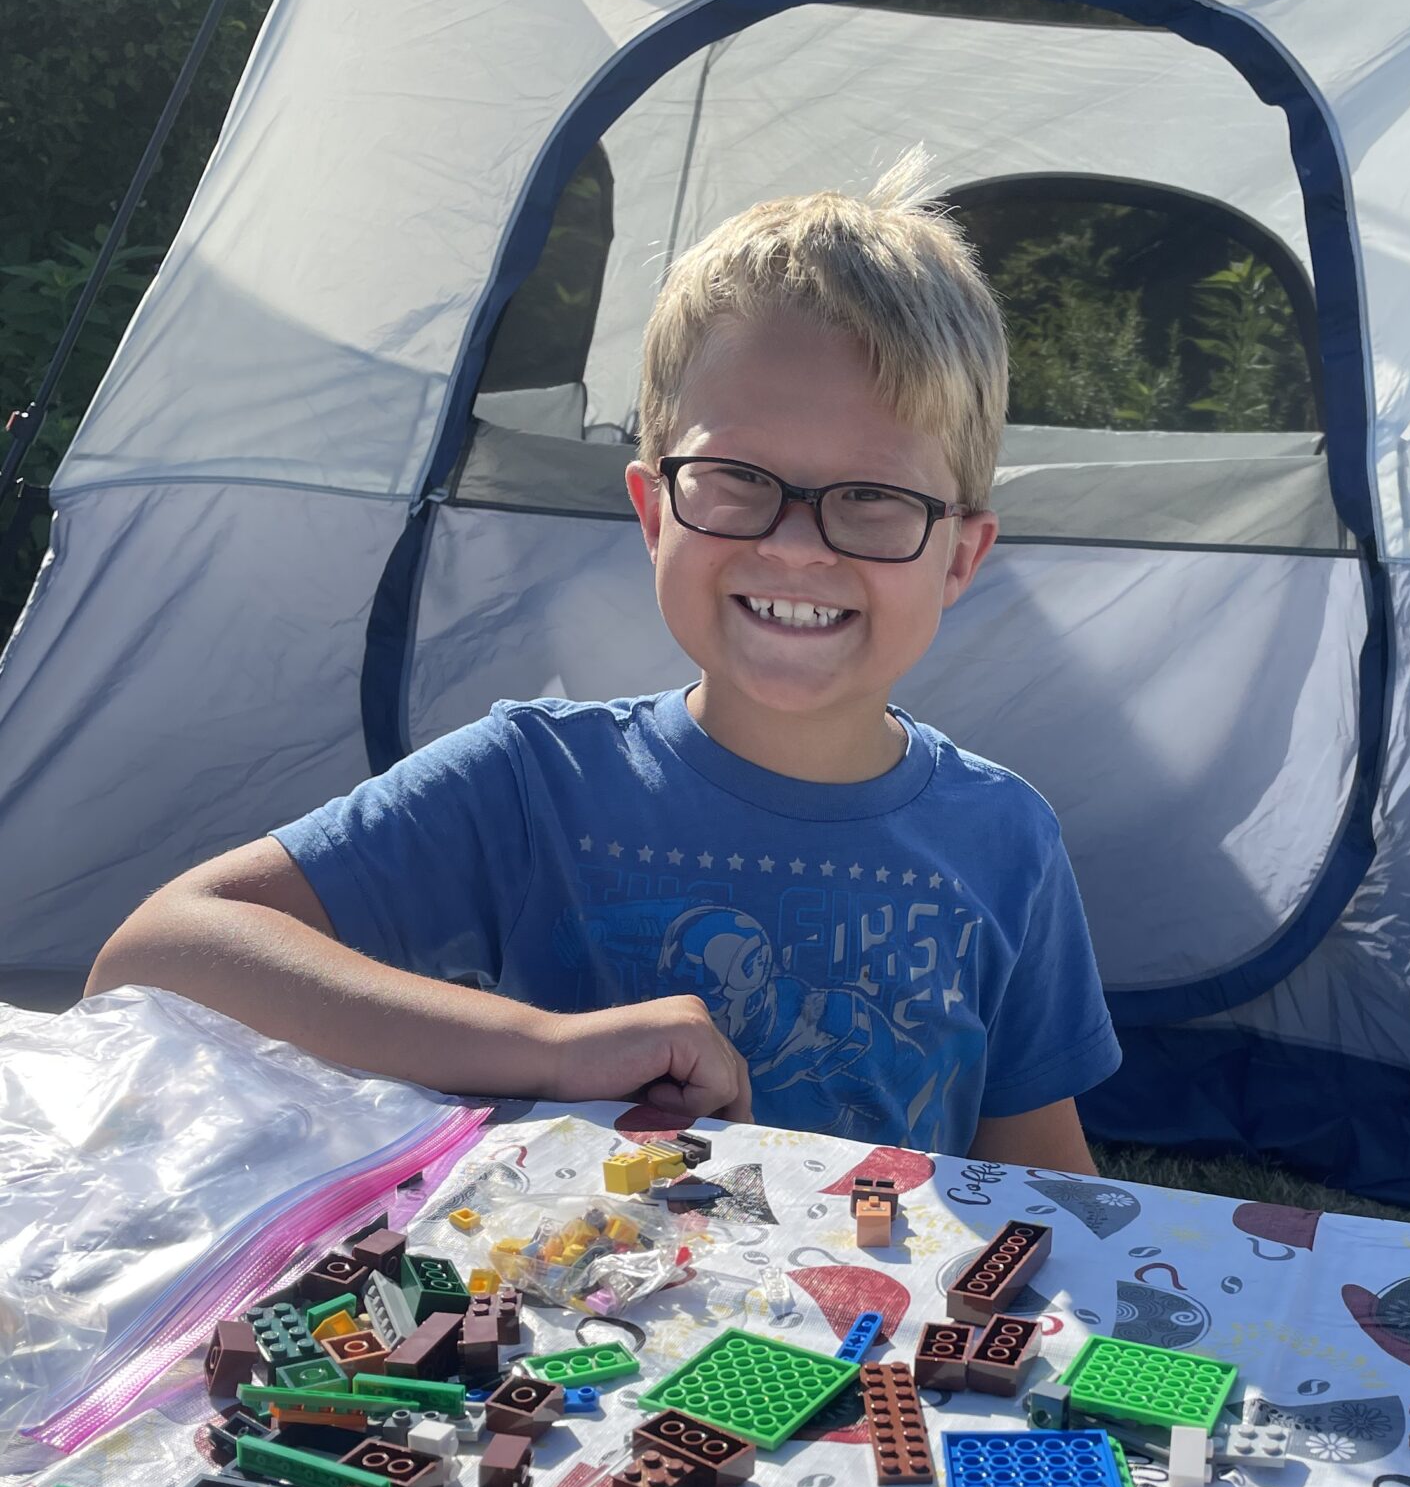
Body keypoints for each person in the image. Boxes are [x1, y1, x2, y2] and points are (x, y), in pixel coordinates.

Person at [88, 160, 1121, 1172]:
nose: (799, 547)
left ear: (961, 555)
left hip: (867, 1340)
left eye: (875, 498)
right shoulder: (532, 783)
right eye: (734, 479)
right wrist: (547, 1049)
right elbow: (160, 949)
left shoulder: (1006, 841)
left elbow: (1048, 1190)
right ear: (651, 510)